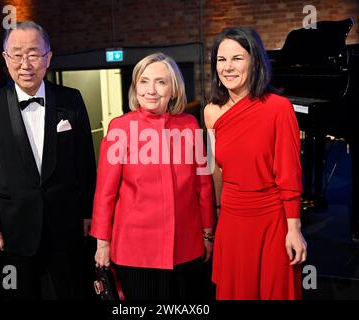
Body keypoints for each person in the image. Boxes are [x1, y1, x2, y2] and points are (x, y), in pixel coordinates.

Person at [0, 21, 96, 299]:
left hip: (66, 225)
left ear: (48, 57)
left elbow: (85, 162)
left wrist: (90, 213)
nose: (25, 63)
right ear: (5, 58)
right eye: (16, 54)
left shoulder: (71, 99)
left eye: (33, 53)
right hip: (13, 230)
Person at [90, 52, 215, 300]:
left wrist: (208, 233)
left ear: (174, 89)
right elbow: (105, 192)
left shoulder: (189, 125)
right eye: (144, 81)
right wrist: (102, 242)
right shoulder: (120, 128)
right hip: (135, 251)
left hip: (186, 247)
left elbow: (203, 185)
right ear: (135, 88)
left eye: (161, 82)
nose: (151, 90)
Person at [204, 27, 307, 300]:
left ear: (255, 60)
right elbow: (216, 170)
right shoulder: (211, 112)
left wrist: (294, 229)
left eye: (237, 58)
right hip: (232, 221)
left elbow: (289, 173)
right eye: (221, 60)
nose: (228, 68)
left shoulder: (279, 108)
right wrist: (213, 218)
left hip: (272, 220)